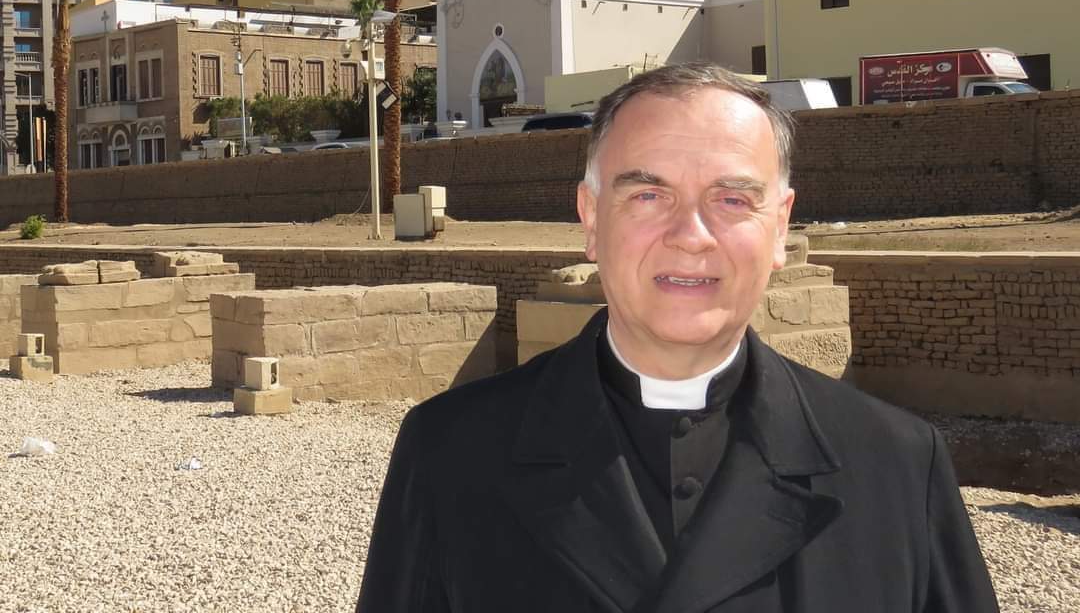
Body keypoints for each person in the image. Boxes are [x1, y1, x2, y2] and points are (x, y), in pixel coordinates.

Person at [356, 62, 999, 612]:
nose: (691, 235)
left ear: (781, 227)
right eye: (648, 195)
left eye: (732, 199)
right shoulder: (450, 453)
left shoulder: (896, 464)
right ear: (590, 217)